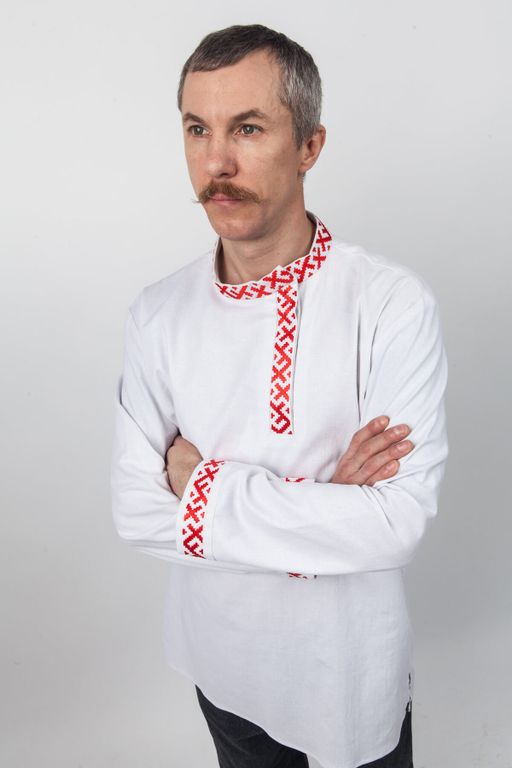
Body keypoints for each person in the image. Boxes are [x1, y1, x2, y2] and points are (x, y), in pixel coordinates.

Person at [110, 23, 448, 768]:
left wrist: (200, 486)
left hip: (349, 670)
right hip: (220, 664)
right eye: (197, 129)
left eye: (248, 128)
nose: (216, 162)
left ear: (309, 147)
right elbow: (135, 513)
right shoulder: (157, 314)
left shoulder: (390, 305)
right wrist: (329, 507)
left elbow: (394, 525)